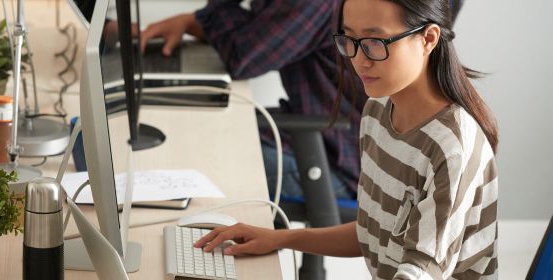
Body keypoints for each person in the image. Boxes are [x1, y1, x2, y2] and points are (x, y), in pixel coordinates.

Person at [194, 0, 499, 279]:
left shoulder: (452, 147)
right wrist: (277, 238)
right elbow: (372, 232)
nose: (359, 60)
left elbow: (420, 271)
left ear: (428, 39)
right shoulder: (378, 110)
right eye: (349, 41)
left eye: (375, 42)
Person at [140, 0, 367, 201]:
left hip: (335, 165)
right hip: (315, 136)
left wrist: (197, 19)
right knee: (182, 133)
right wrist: (190, 22)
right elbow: (252, 33)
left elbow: (242, 58)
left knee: (185, 154)